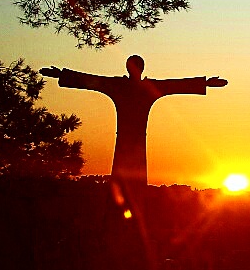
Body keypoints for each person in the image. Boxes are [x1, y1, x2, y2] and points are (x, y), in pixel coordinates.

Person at [41, 55, 227, 190]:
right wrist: (61, 75)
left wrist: (206, 83)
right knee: (124, 182)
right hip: (127, 142)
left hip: (134, 143)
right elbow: (91, 80)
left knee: (134, 183)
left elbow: (175, 85)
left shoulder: (133, 86)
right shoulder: (122, 86)